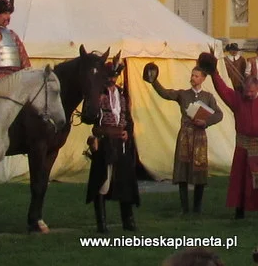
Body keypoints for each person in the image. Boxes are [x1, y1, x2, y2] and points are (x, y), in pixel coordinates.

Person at [143, 62, 223, 214]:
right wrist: (154, 81)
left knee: (199, 172)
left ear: (203, 79)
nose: (192, 78)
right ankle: (184, 208)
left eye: (196, 76)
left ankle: (197, 208)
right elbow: (165, 93)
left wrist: (205, 122)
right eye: (192, 75)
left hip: (200, 136)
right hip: (185, 135)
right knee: (183, 171)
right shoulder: (183, 94)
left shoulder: (208, 97)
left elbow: (219, 114)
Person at [85, 58, 139, 234]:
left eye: (115, 77)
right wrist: (96, 101)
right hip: (105, 142)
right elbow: (88, 117)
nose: (113, 80)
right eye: (110, 77)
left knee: (125, 182)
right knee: (103, 182)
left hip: (121, 143)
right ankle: (102, 223)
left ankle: (128, 221)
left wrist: (128, 133)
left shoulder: (123, 95)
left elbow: (128, 119)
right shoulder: (97, 94)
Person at [205, 51, 258, 218]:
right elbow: (222, 89)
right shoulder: (238, 99)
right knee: (241, 181)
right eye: (246, 92)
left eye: (251, 92)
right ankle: (239, 211)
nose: (248, 94)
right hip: (242, 146)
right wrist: (214, 72)